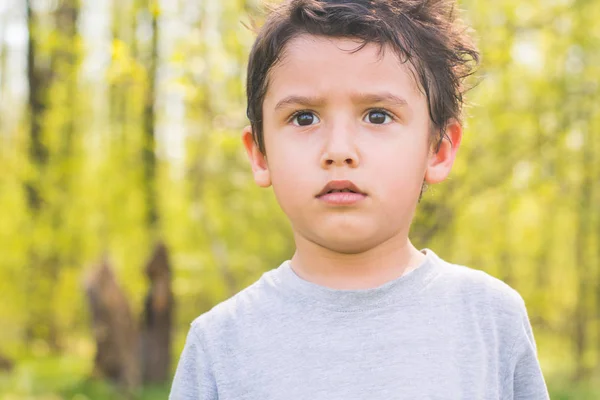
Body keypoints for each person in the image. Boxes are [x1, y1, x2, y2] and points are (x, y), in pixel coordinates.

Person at [169, 0, 549, 398]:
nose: (339, 149)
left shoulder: (489, 319)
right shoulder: (220, 344)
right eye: (304, 118)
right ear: (260, 155)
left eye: (378, 116)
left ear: (438, 149)